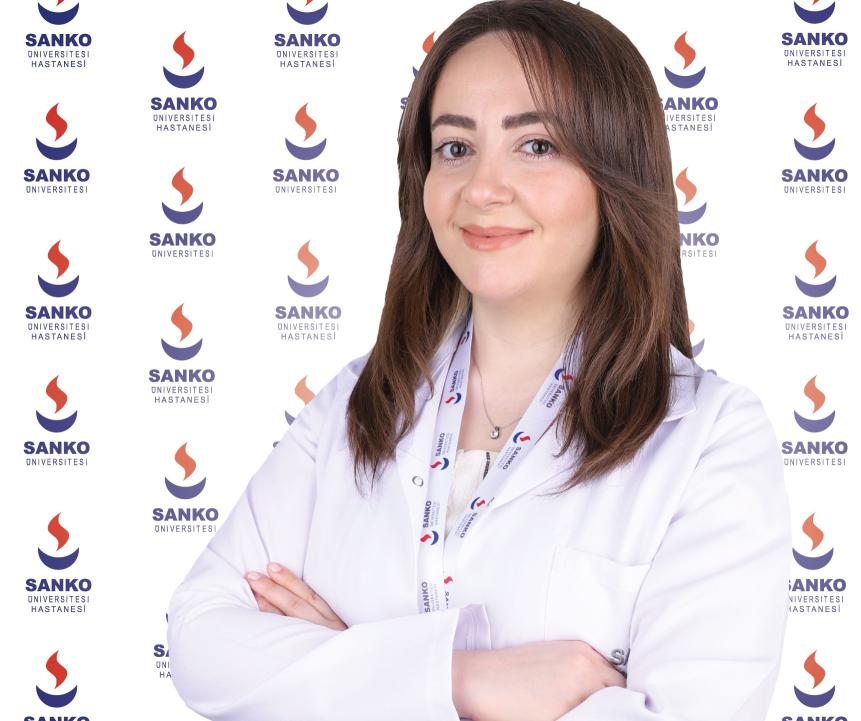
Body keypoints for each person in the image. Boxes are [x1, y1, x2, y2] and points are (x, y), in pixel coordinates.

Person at [166, 2, 791, 720]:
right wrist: (464, 680)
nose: (483, 189)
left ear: (616, 173)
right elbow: (201, 637)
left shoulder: (709, 438)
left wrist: (345, 670)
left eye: (537, 145)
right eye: (456, 148)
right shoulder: (359, 401)